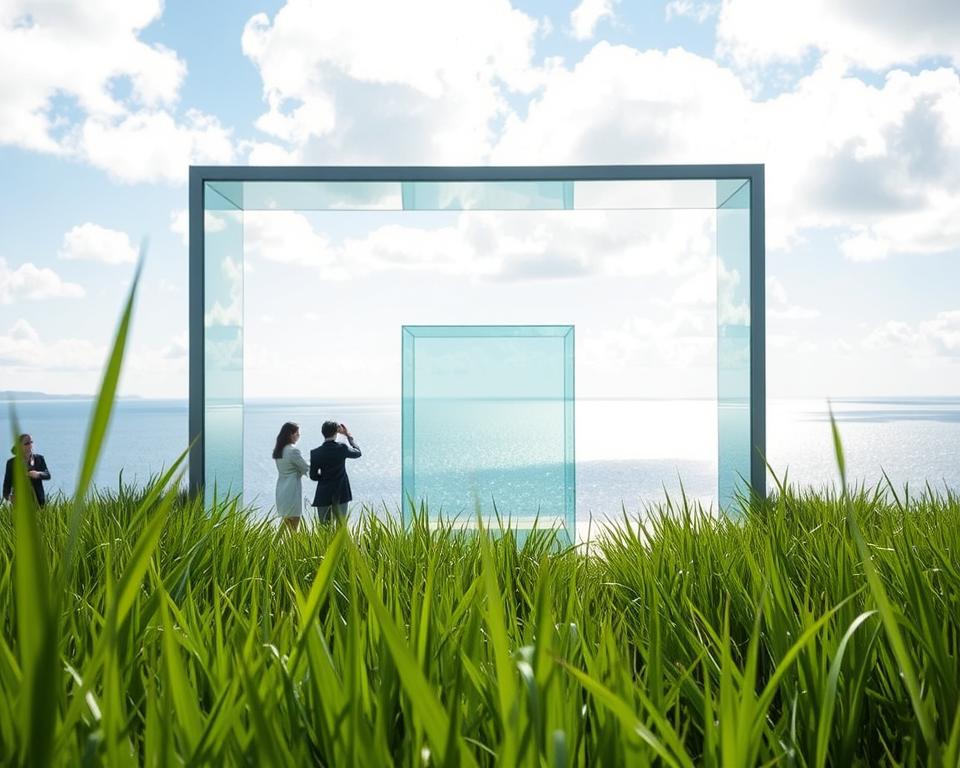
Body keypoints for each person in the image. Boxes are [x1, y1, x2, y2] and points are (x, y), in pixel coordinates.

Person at [310, 420, 361, 522]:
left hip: (323, 493)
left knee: (324, 528)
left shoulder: (315, 452)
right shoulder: (342, 448)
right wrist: (349, 436)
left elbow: (313, 476)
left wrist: (324, 478)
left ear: (322, 433)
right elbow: (358, 453)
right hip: (341, 491)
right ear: (336, 433)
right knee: (341, 527)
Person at [273, 422, 309, 531]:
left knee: (284, 523)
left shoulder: (279, 451)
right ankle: (291, 548)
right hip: (292, 491)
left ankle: (272, 546)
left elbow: (293, 467)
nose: (299, 435)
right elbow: (306, 468)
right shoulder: (293, 451)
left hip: (281, 490)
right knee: (294, 526)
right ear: (291, 435)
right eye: (297, 433)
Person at [3, 433, 51, 507]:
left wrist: (38, 474)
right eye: (27, 443)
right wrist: (9, 497)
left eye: (31, 442)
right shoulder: (11, 463)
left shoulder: (39, 459)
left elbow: (47, 475)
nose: (30, 445)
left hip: (38, 500)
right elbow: (6, 485)